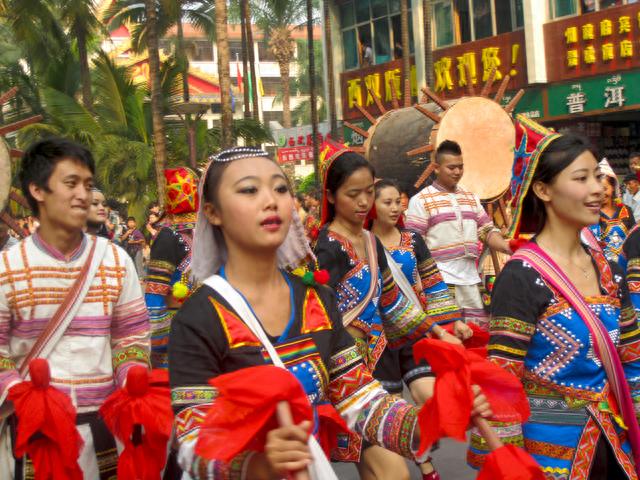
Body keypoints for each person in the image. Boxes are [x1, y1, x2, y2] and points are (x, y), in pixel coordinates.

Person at [168, 146, 492, 479]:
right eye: (249, 190)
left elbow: (362, 399)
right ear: (212, 212)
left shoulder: (317, 302)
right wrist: (254, 466)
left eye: (280, 188)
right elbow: (192, 440)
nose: (271, 200)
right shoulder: (199, 318)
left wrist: (438, 417)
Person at [473, 115, 640, 478]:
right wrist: (511, 466)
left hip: (616, 446)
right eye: (581, 179)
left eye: (597, 176)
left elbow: (632, 356)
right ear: (544, 191)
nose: (597, 188)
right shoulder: (520, 277)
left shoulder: (609, 266)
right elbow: (502, 384)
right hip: (550, 458)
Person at [0, 137, 150, 478]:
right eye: (71, 184)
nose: (83, 194)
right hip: (37, 437)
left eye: (88, 184)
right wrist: (22, 394)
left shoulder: (115, 259)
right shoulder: (7, 267)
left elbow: (131, 338)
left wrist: (132, 379)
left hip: (102, 432)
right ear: (38, 190)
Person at [314, 141, 462, 480]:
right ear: (332, 196)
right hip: (347, 372)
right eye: (354, 194)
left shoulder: (370, 242)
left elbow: (393, 301)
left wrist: (440, 334)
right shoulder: (326, 249)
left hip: (379, 361)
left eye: (368, 191)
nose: (364, 202)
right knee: (391, 472)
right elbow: (319, 316)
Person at [369, 178, 470, 480]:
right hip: (380, 341)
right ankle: (426, 466)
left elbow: (433, 282)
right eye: (386, 202)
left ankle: (419, 445)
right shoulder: (363, 243)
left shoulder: (413, 239)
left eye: (397, 200)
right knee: (396, 414)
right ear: (370, 207)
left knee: (430, 397)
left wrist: (453, 323)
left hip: (416, 335)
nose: (395, 207)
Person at [405, 140, 512, 331]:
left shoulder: (471, 198)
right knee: (448, 340)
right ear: (436, 168)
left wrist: (508, 247)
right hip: (439, 282)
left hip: (471, 279)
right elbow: (412, 246)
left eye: (460, 167)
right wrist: (420, 283)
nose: (457, 172)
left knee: (476, 336)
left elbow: (487, 230)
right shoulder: (420, 201)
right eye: (451, 167)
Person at [145, 167, 198, 370]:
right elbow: (156, 292)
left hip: (191, 326)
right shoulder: (207, 229)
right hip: (187, 327)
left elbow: (154, 292)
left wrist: (157, 342)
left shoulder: (167, 234)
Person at [589, 159, 635, 265]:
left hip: (625, 267)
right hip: (601, 268)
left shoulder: (626, 211)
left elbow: (634, 240)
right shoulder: (590, 213)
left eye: (605, 188)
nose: (601, 193)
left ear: (613, 188)